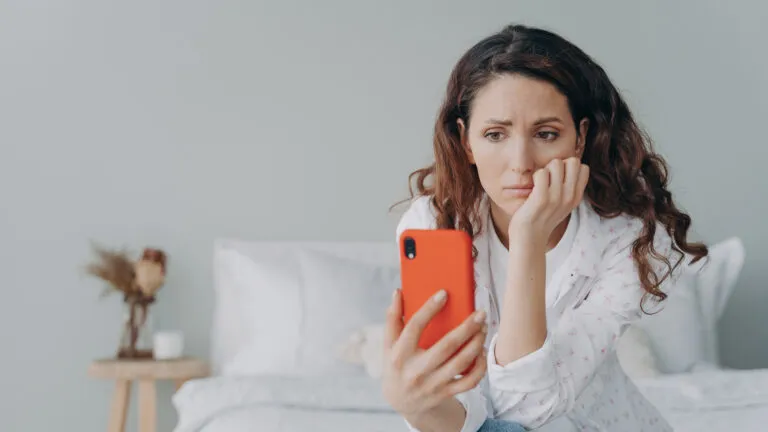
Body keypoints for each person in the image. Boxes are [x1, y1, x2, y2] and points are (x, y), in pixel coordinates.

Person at [381, 23, 708, 432]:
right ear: (467, 143)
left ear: (579, 138)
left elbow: (527, 410)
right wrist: (417, 409)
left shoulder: (629, 239)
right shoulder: (434, 224)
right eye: (495, 134)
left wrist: (528, 240)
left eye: (546, 134)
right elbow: (465, 413)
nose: (521, 162)